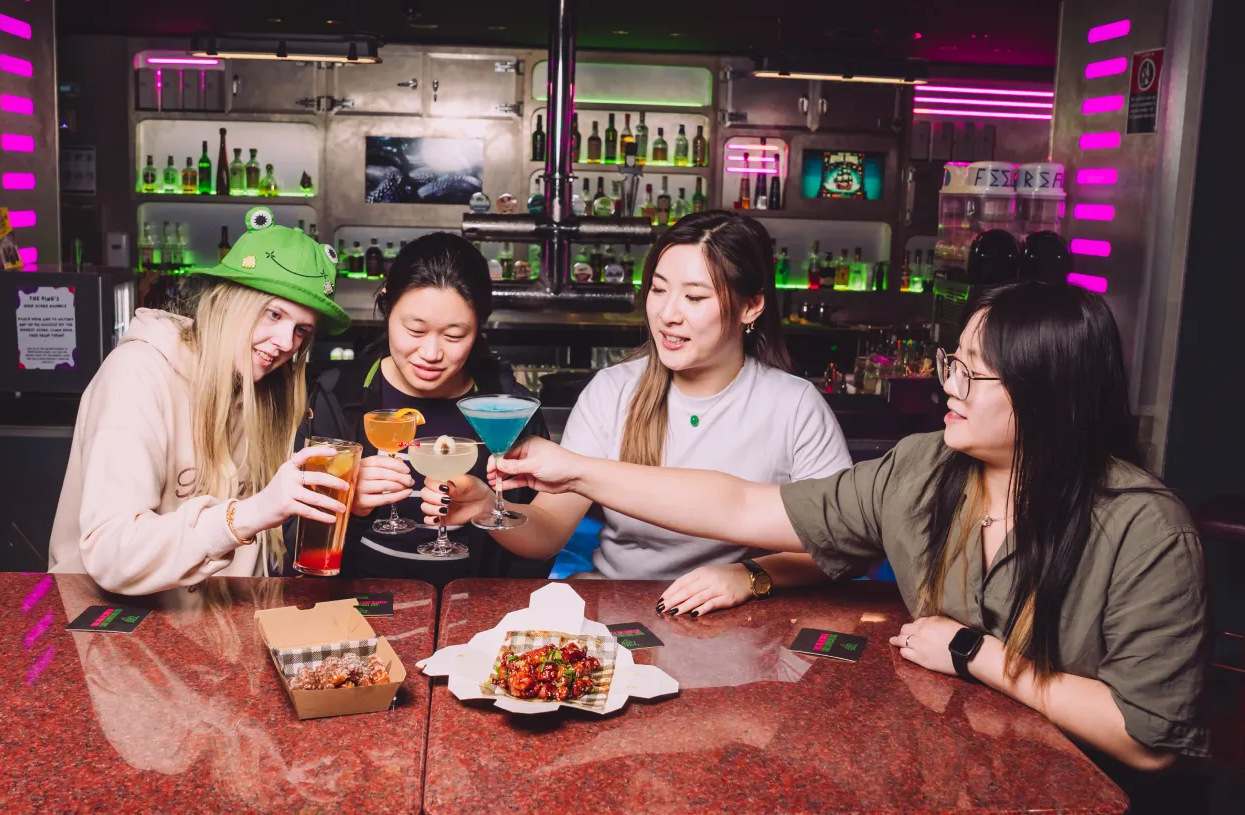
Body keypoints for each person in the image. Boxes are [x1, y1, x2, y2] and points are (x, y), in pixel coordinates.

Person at [479, 281, 1208, 780]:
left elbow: (1144, 737)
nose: (945, 382)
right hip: (940, 767)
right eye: (952, 360)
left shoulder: (1143, 527)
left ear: (1048, 394)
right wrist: (575, 469)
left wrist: (971, 650)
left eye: (972, 374)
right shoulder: (922, 467)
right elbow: (744, 508)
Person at [423, 211, 851, 611]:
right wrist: (486, 507)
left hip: (743, 618)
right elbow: (550, 531)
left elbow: (844, 544)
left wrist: (750, 575)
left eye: (695, 297)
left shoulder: (794, 405)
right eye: (659, 289)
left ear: (751, 306)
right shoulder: (613, 390)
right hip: (617, 606)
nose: (667, 314)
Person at [49, 207, 353, 595]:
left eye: (301, 331)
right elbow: (112, 552)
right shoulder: (138, 373)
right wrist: (247, 515)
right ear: (229, 301)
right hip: (111, 626)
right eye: (273, 314)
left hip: (214, 628)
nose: (285, 343)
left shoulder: (261, 389)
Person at [297, 232, 552, 587]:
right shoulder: (340, 396)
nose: (430, 353)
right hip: (360, 606)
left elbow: (542, 538)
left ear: (479, 326)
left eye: (454, 335)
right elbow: (298, 536)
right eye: (414, 329)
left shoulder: (506, 409)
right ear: (387, 306)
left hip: (479, 611)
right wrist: (346, 502)